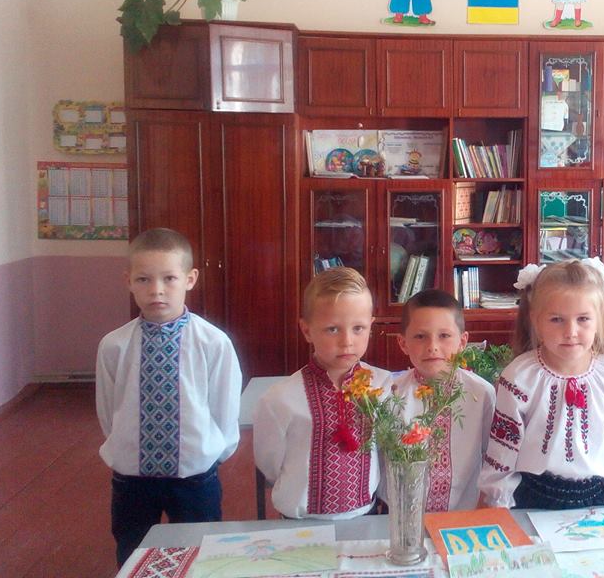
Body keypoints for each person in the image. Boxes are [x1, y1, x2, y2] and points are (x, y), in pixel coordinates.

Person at [95, 228, 242, 567]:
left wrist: (210, 453)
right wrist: (125, 445)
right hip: (132, 478)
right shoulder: (114, 345)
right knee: (133, 552)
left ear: (190, 279)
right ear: (128, 281)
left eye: (169, 278)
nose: (156, 290)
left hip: (194, 476)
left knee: (200, 554)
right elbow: (108, 409)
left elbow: (224, 406)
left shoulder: (213, 343)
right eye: (143, 279)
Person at [479, 258, 604, 509]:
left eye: (583, 319)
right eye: (556, 319)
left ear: (599, 320)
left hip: (597, 499)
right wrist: (498, 503)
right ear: (536, 320)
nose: (571, 331)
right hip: (532, 497)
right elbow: (503, 449)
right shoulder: (520, 376)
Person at [253, 267, 390, 519]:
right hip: (300, 521)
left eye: (358, 328)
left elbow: (384, 449)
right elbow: (269, 462)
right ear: (307, 331)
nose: (347, 341)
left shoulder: (383, 385)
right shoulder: (280, 398)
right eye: (332, 329)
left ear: (371, 326)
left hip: (365, 514)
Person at [390, 289, 494, 511]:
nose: (432, 346)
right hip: (405, 515)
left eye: (444, 336)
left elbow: (492, 458)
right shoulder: (392, 393)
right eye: (420, 336)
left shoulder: (482, 393)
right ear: (403, 343)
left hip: (464, 515)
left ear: (462, 342)